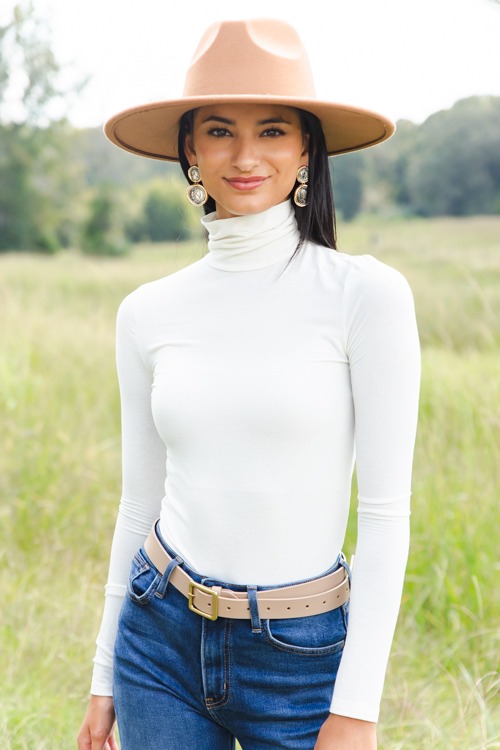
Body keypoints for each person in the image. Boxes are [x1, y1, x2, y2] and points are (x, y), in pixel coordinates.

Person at [77, 18, 420, 750]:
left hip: (299, 659)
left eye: (271, 131)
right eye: (218, 130)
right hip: (158, 640)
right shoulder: (146, 312)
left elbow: (387, 517)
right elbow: (139, 498)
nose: (243, 155)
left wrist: (357, 709)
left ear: (305, 150)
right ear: (191, 151)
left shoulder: (365, 295)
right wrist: (105, 674)